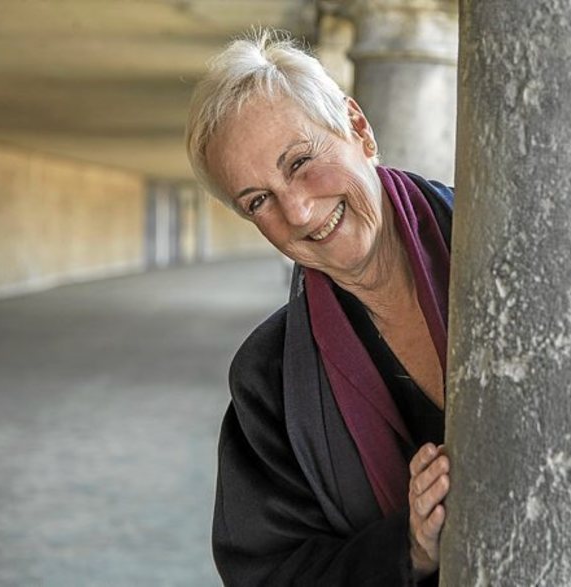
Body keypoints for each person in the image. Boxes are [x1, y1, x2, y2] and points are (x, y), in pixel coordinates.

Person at [186, 29, 453, 586]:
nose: (300, 213)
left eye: (300, 161)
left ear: (359, 128)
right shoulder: (269, 378)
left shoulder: (509, 249)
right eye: (259, 200)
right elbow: (269, 572)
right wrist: (408, 548)